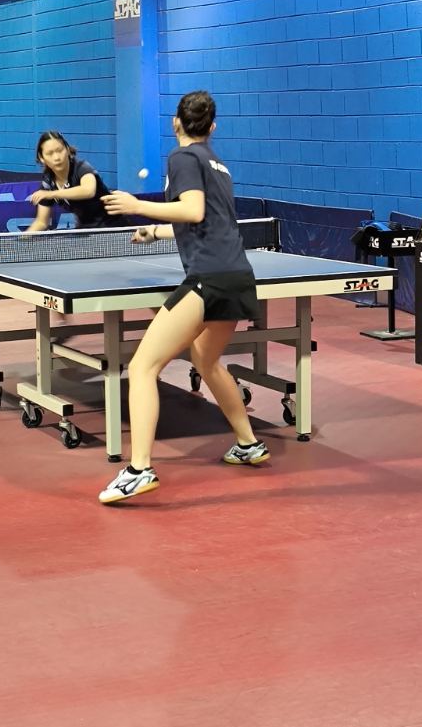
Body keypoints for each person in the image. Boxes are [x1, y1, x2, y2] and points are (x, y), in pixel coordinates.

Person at [96, 90, 268, 504]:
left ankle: (139, 469)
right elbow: (207, 222)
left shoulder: (182, 158)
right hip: (237, 275)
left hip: (209, 278)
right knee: (206, 361)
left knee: (142, 367)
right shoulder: (217, 164)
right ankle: (248, 444)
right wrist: (156, 232)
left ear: (176, 122)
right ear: (213, 127)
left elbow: (192, 210)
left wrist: (137, 205)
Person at [25, 130, 116, 234]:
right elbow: (41, 222)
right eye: (50, 153)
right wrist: (20, 239)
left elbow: (88, 191)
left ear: (67, 150)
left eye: (60, 150)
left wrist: (51, 194)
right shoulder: (48, 182)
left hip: (113, 227)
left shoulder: (82, 168)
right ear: (41, 158)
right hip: (86, 230)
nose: (57, 157)